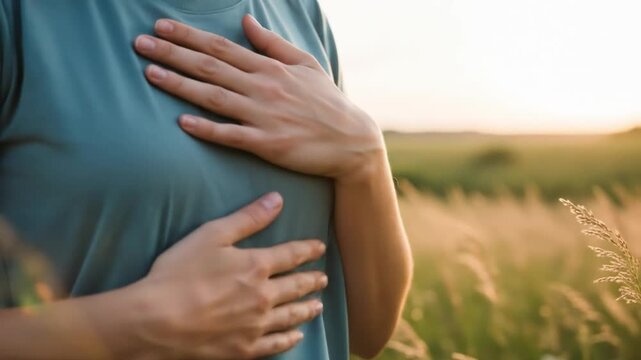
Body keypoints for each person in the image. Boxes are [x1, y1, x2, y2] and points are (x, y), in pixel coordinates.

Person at [0, 1, 413, 359]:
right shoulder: (21, 16)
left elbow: (366, 331)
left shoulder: (301, 14)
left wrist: (367, 158)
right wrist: (133, 327)